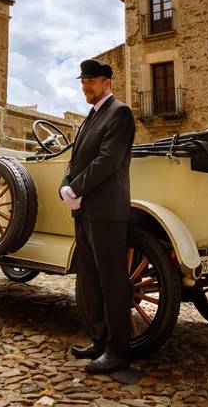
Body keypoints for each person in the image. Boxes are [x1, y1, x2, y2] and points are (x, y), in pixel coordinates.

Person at [60, 59, 136, 374]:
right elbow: (76, 159)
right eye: (82, 81)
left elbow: (107, 162)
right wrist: (65, 186)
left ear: (106, 82)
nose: (84, 87)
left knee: (112, 282)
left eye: (90, 81)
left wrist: (75, 189)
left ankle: (119, 350)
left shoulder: (119, 113)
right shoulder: (90, 117)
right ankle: (100, 340)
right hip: (86, 211)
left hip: (107, 212)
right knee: (89, 280)